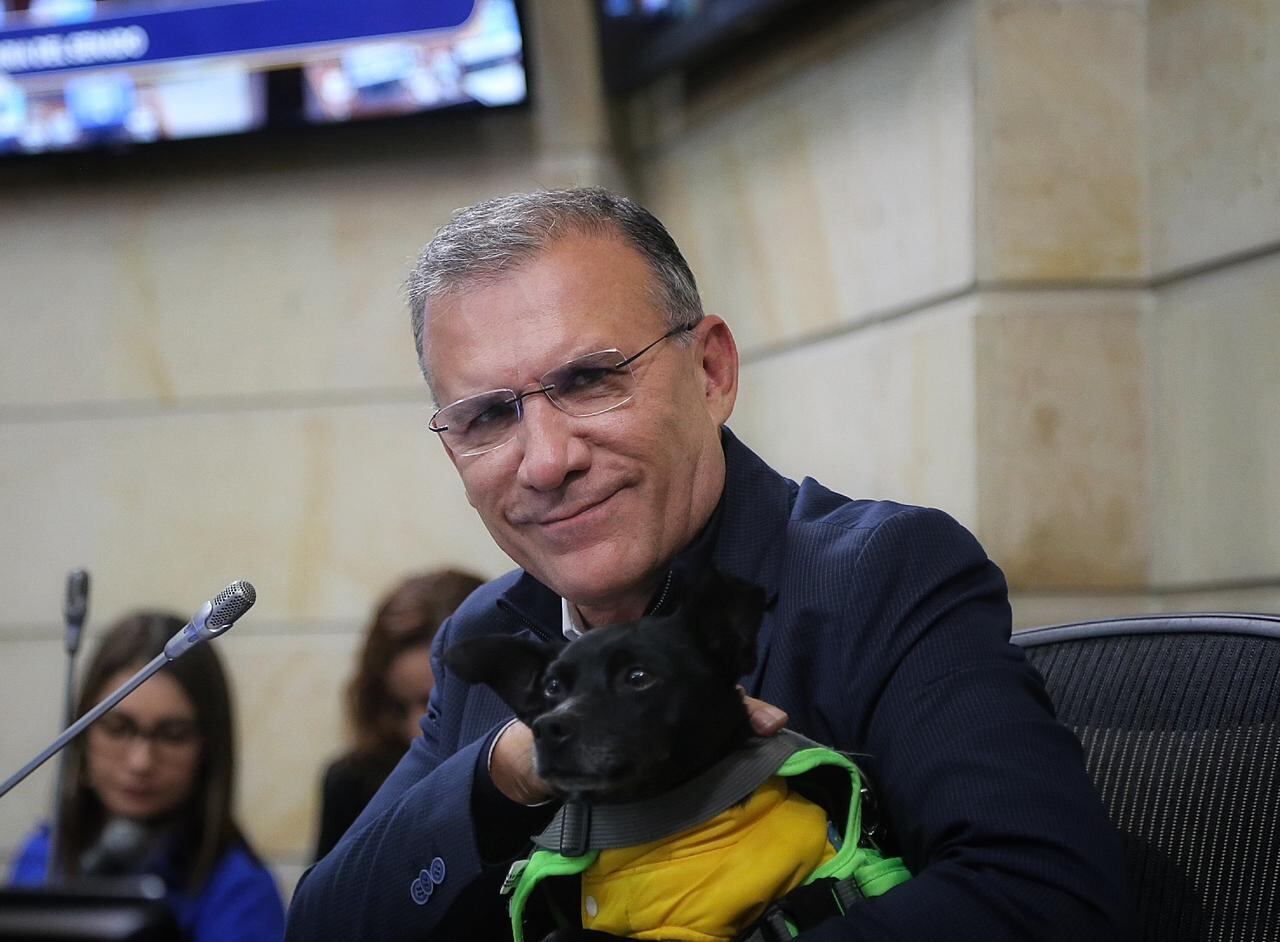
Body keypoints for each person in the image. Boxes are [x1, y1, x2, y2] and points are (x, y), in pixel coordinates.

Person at [285, 187, 1133, 940]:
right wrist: (512, 765)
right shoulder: (492, 635)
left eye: (588, 380)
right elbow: (325, 926)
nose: (544, 462)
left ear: (712, 371)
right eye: (487, 416)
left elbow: (1044, 894)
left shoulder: (877, 573)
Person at [8, 611, 286, 941]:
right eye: (118, 728)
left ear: (209, 747)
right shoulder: (42, 856)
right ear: (82, 733)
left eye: (172, 735)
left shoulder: (241, 892)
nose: (141, 762)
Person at [313, 568, 484, 863]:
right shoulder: (352, 783)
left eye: (434, 702)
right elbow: (322, 905)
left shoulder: (540, 774)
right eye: (398, 708)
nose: (414, 730)